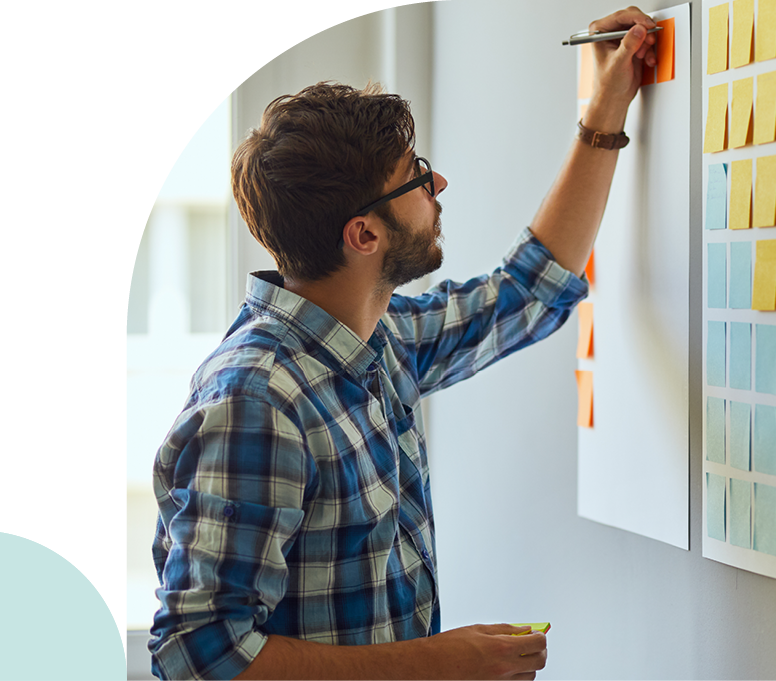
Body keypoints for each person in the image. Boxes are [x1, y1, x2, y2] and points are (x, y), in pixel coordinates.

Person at [148, 7, 658, 681]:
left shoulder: (375, 339)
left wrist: (604, 111)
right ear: (364, 235)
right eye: (417, 176)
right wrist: (436, 663)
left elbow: (528, 291)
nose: (437, 185)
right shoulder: (257, 400)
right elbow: (195, 653)